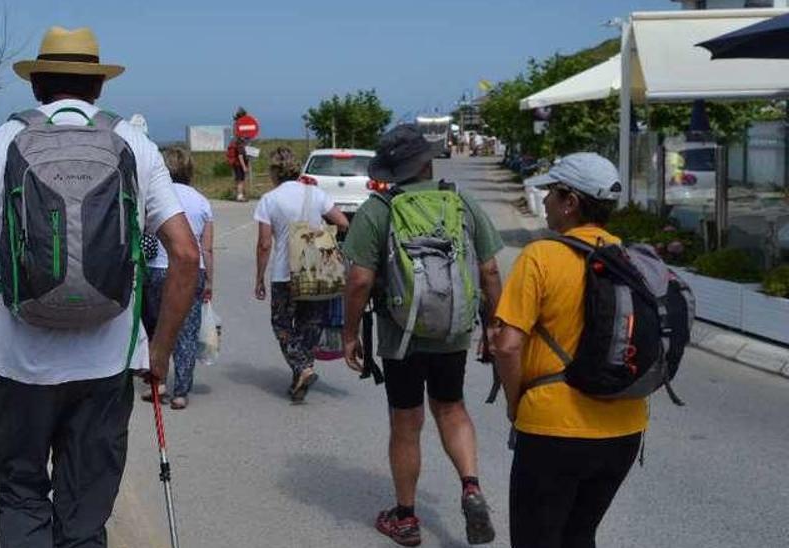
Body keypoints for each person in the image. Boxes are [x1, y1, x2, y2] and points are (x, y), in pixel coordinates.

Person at [0, 26, 199, 548]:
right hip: (107, 364)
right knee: (84, 517)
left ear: (36, 87)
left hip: (14, 364)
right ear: (97, 89)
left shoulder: (4, 142)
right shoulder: (135, 144)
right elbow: (185, 255)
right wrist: (158, 352)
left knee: (22, 496)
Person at [340, 124, 503, 547]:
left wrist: (349, 333)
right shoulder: (460, 202)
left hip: (402, 335)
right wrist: (494, 324)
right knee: (452, 409)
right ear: (428, 163)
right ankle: (470, 486)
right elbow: (489, 270)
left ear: (393, 171)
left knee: (406, 423)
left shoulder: (379, 209)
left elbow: (358, 280)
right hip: (452, 330)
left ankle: (406, 518)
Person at [490, 153, 644, 548]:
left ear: (570, 202)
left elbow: (506, 346)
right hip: (624, 429)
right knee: (579, 536)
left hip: (552, 428)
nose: (543, 201)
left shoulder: (541, 256)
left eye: (550, 194)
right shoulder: (631, 260)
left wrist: (515, 403)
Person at [253, 146, 349, 404]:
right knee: (310, 324)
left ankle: (302, 368)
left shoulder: (269, 200)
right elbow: (342, 222)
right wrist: (323, 239)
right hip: (317, 268)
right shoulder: (316, 194)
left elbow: (264, 244)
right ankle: (301, 373)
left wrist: (259, 278)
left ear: (274, 172)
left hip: (285, 274)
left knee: (282, 324)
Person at [140, 146, 213, 410]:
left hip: (156, 268)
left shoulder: (154, 197)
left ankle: (157, 383)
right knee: (187, 331)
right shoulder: (201, 201)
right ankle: (181, 391)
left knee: (156, 326)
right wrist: (210, 282)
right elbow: (206, 248)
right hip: (193, 270)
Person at [228, 134, 250, 202]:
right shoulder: (240, 145)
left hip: (237, 165)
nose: (247, 140)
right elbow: (240, 156)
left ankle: (239, 195)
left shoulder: (237, 144)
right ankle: (240, 196)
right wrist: (244, 167)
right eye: (246, 139)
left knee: (238, 181)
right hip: (239, 165)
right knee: (241, 181)